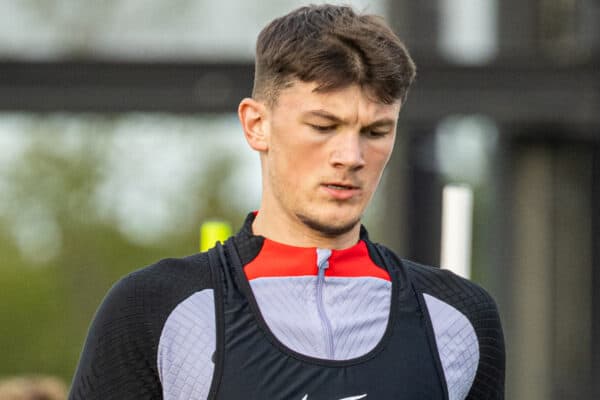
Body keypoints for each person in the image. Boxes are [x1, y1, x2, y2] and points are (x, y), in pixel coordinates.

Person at [69, 4, 505, 399]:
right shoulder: (153, 309)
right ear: (256, 124)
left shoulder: (459, 316)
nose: (350, 158)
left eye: (375, 132)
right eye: (322, 126)